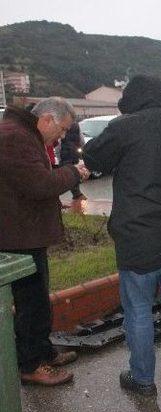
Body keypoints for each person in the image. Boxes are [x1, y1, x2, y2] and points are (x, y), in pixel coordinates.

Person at [83, 75, 161, 397]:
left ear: (131, 100)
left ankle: (143, 380)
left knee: (138, 310)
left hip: (136, 241)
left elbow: (92, 157)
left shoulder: (125, 127)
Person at [0, 98, 90, 386]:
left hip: (24, 230)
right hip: (18, 235)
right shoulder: (16, 137)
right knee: (30, 303)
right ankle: (31, 365)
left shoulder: (21, 133)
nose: (62, 137)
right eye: (62, 130)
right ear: (48, 120)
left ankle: (42, 352)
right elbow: (39, 184)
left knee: (37, 300)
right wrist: (74, 172)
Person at [60, 121, 86, 200]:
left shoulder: (62, 123)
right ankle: (76, 193)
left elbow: (59, 141)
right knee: (73, 171)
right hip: (73, 152)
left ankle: (76, 193)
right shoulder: (76, 125)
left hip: (66, 152)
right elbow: (81, 139)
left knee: (69, 170)